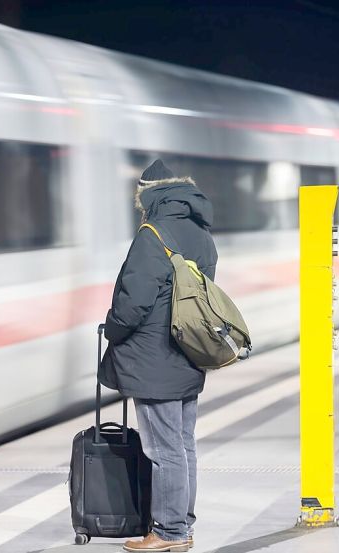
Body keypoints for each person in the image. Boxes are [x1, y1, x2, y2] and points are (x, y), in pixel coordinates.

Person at [100, 159, 217, 553]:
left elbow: (132, 303)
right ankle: (182, 524)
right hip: (188, 351)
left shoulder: (153, 234)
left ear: (148, 194)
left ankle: (169, 533)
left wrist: (111, 330)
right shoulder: (202, 233)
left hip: (153, 359)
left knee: (163, 449)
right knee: (183, 444)